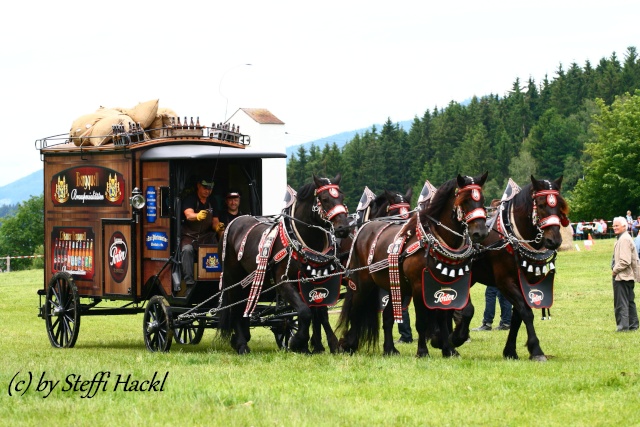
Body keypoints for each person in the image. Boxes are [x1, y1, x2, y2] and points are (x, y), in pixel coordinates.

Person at [180, 177, 222, 287]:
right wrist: (197, 216)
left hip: (206, 236)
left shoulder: (212, 201)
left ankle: (214, 280)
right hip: (189, 236)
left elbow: (215, 221)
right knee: (187, 250)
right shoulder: (190, 199)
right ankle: (189, 282)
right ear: (198, 186)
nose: (207, 191)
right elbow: (189, 215)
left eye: (210, 188)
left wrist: (218, 228)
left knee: (217, 249)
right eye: (205, 188)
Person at [611, 216, 639, 332]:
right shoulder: (624, 238)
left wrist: (614, 271)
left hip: (622, 276)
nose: (614, 228)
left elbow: (625, 261)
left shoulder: (624, 239)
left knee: (621, 303)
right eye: (613, 226)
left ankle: (623, 328)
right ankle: (633, 325)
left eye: (617, 225)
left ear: (624, 226)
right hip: (628, 276)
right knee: (629, 302)